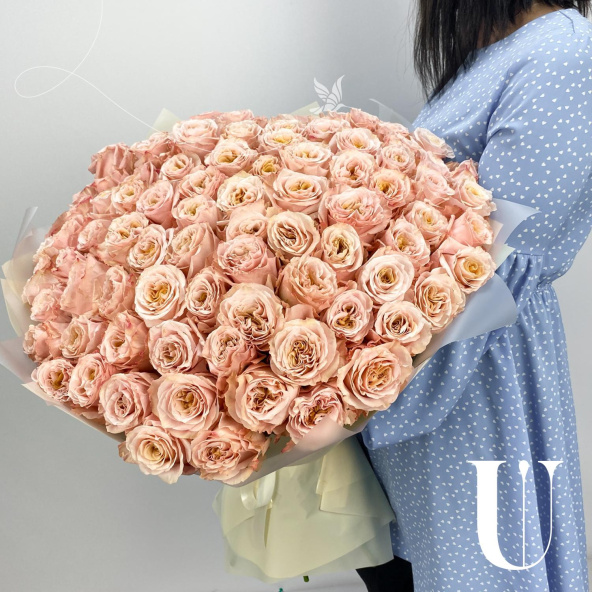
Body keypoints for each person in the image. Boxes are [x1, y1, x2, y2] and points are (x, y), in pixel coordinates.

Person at [357, 2, 592, 591]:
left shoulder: (563, 51)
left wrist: (363, 404)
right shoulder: (496, 53)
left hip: (474, 378)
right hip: (432, 376)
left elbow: (500, 261)